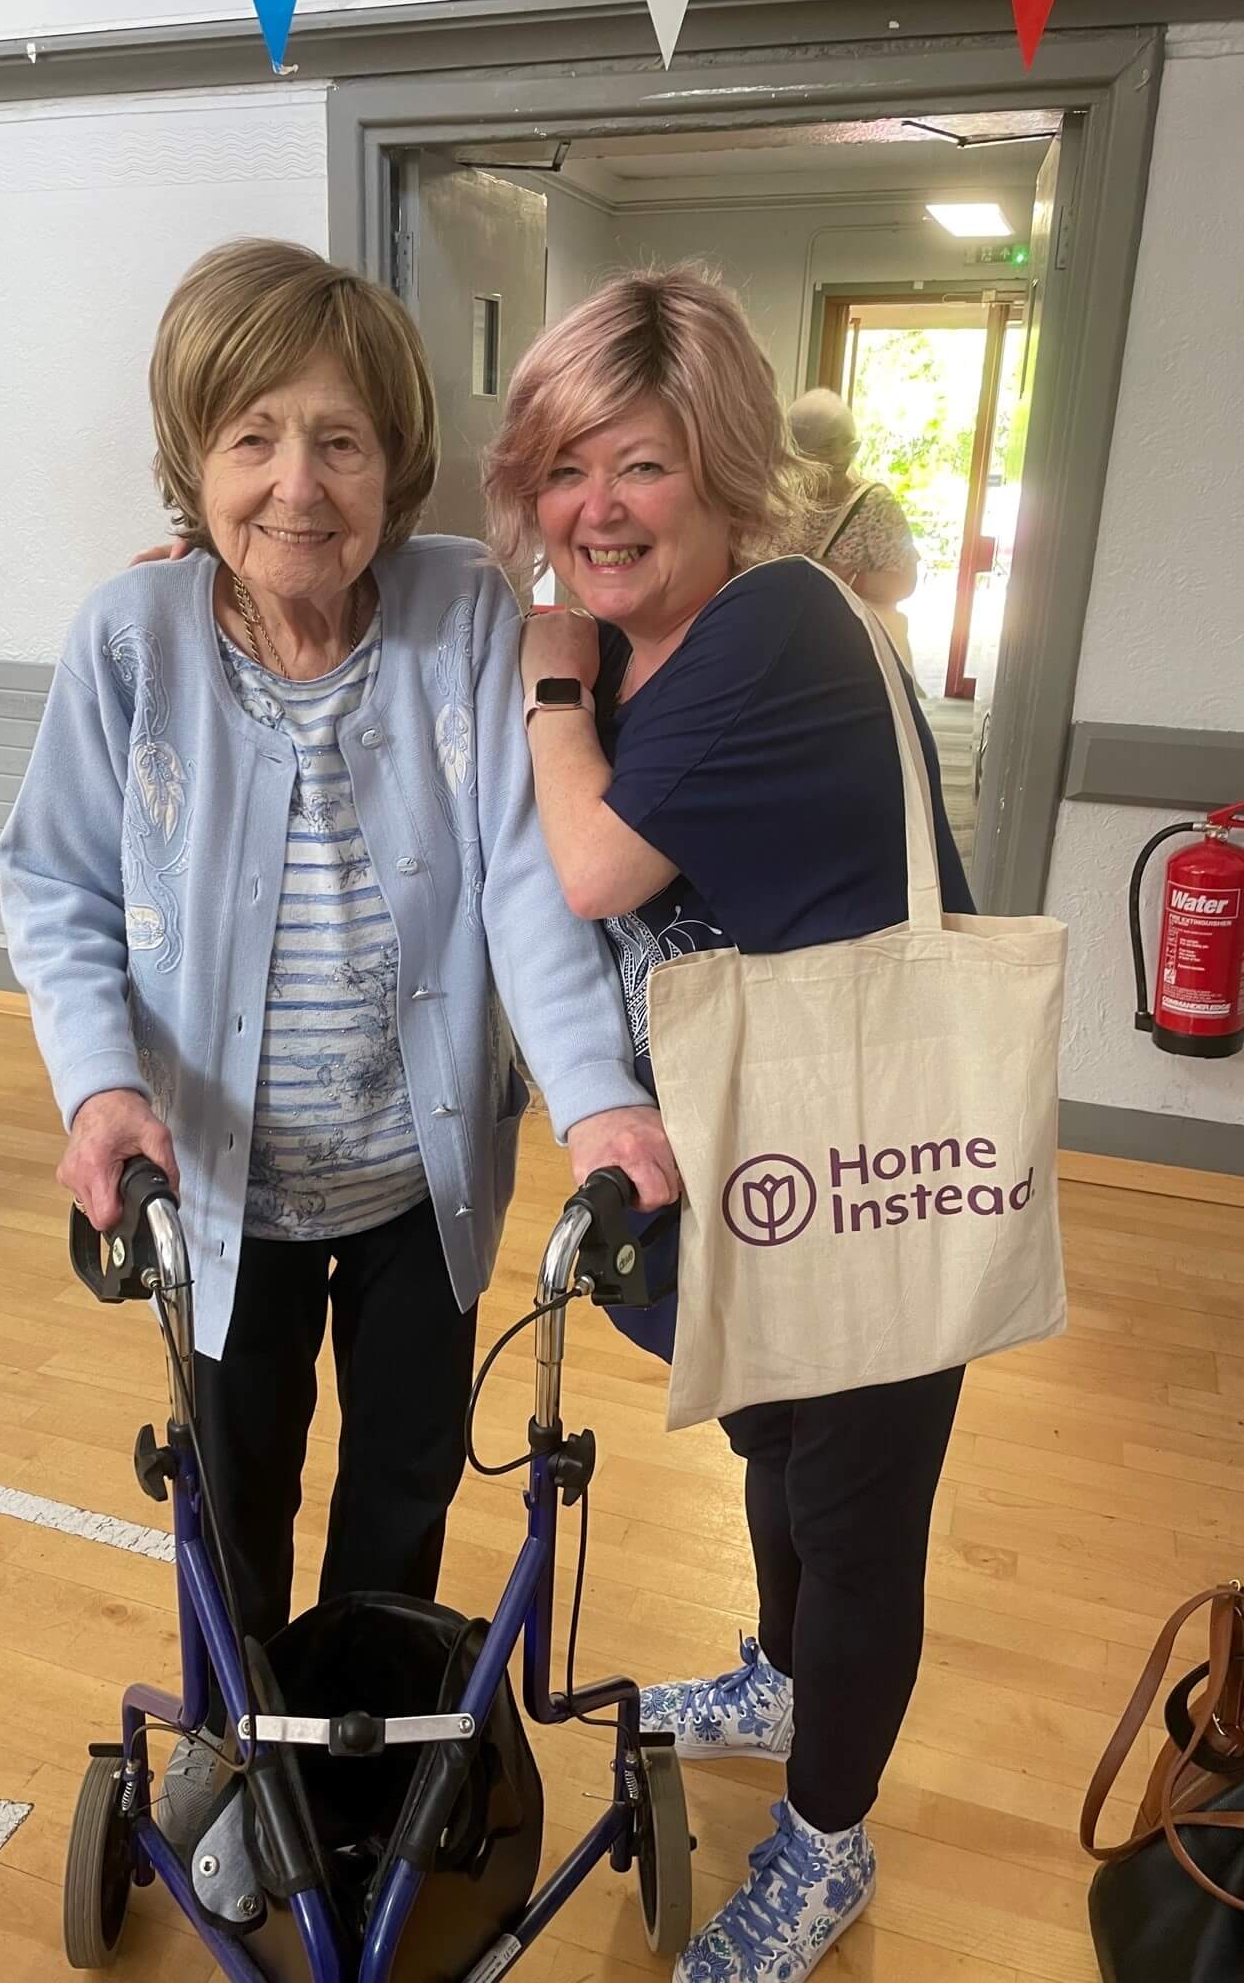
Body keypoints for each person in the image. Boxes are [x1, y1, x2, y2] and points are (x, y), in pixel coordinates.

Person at [0, 241, 676, 1703]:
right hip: (219, 1197)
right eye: (252, 437)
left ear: (395, 465)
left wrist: (599, 1105)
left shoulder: (466, 616)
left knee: (402, 1502)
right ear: (194, 457)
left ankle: (363, 1762)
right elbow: (53, 881)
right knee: (229, 1505)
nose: (296, 485)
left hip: (415, 1195)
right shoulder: (130, 638)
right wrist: (98, 1089)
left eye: (340, 441)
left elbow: (524, 888)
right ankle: (238, 1757)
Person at [484, 268, 975, 1983]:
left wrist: (550, 684)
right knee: (778, 1451)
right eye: (562, 470)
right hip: (750, 1151)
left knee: (855, 1518)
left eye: (639, 466)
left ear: (725, 466)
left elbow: (595, 865)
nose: (593, 512)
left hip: (870, 1167)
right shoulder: (647, 639)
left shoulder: (766, 623)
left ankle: (825, 1843)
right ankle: (773, 1680)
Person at [788, 385, 919, 679]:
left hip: (856, 661)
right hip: (794, 653)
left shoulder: (876, 504)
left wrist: (841, 578)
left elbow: (905, 581)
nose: (838, 458)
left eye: (846, 447)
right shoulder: (782, 500)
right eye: (809, 460)